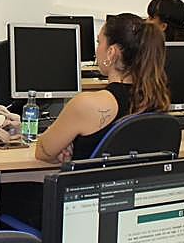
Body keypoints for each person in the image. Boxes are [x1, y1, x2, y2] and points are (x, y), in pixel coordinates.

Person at [35, 12, 170, 163]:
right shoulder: (157, 100)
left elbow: (43, 152)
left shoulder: (86, 104)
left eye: (99, 42)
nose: (97, 49)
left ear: (111, 53)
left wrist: (67, 143)